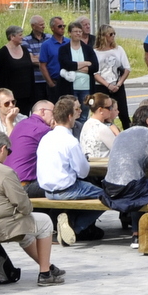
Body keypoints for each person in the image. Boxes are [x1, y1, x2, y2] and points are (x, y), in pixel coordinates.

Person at [0, 130, 63, 285]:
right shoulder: (5, 172)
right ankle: (45, 273)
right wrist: (22, 211)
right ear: (3, 148)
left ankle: (48, 266)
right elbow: (24, 205)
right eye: (9, 152)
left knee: (27, 231)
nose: (8, 156)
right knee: (44, 221)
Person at [35, 95, 106, 244]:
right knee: (106, 197)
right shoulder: (70, 141)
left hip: (48, 191)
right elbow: (83, 172)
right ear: (69, 116)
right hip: (67, 189)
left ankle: (67, 223)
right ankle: (75, 227)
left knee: (86, 190)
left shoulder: (46, 138)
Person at [101, 103, 148, 248]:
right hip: (131, 189)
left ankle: (136, 234)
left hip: (109, 189)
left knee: (141, 185)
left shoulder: (122, 134)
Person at [6, 98, 55, 187]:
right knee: (66, 185)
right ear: (43, 111)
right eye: (53, 113)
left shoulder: (20, 124)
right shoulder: (44, 129)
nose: (55, 116)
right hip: (25, 184)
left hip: (8, 182)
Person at [94, 25, 132, 119]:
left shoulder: (119, 49)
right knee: (104, 113)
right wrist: (107, 85)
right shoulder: (95, 52)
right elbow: (95, 73)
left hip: (117, 84)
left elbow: (127, 68)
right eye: (111, 34)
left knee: (123, 113)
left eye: (114, 34)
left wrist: (118, 84)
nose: (113, 36)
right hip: (102, 85)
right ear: (103, 36)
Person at [57, 20, 99, 99]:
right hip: (69, 87)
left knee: (86, 110)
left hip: (86, 87)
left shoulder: (88, 49)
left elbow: (95, 67)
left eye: (80, 31)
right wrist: (86, 63)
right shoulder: (63, 49)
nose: (78, 33)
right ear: (70, 33)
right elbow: (66, 65)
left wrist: (75, 67)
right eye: (76, 31)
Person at [37, 17, 69, 102]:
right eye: (59, 26)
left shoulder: (69, 42)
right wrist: (50, 83)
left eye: (64, 26)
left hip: (69, 81)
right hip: (55, 81)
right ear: (52, 28)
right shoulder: (46, 45)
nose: (62, 28)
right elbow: (42, 65)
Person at [79, 93, 118, 159]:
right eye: (109, 107)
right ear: (100, 110)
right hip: (102, 167)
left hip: (89, 165)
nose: (111, 110)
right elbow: (118, 149)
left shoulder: (86, 124)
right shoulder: (102, 129)